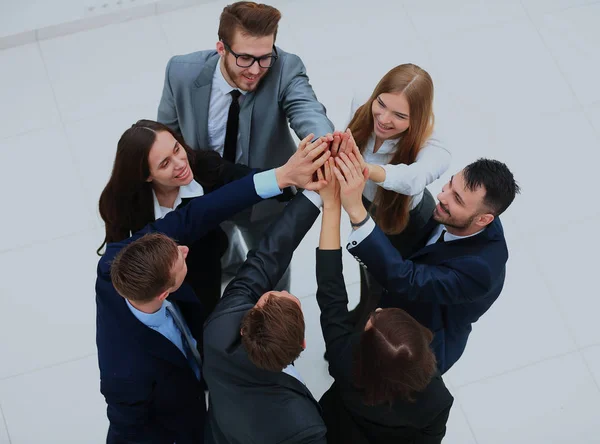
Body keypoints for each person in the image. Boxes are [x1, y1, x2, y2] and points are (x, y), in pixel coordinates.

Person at [96, 132, 331, 443]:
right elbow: (127, 430)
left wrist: (285, 177)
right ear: (165, 293)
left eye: (174, 246)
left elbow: (200, 213)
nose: (185, 249)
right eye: (179, 262)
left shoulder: (118, 259)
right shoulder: (125, 373)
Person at [157, 1, 334, 291]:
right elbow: (167, 134)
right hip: (207, 194)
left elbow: (308, 110)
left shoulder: (285, 67)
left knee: (272, 272)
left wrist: (323, 144)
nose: (255, 70)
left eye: (265, 58)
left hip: (267, 200)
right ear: (221, 48)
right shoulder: (180, 72)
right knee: (217, 256)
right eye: (245, 59)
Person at [333, 153, 520, 373]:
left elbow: (407, 279)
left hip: (420, 343)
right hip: (392, 308)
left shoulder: (480, 271)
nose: (442, 196)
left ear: (484, 219)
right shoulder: (457, 215)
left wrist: (356, 210)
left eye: (457, 199)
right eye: (450, 184)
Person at [315, 159, 453, 443]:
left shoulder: (345, 362)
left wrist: (331, 205)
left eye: (372, 318)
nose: (375, 309)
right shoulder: (438, 401)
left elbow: (331, 290)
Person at [202, 188, 330, 443]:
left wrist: (314, 195)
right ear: (303, 343)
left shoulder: (219, 328)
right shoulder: (304, 428)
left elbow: (265, 257)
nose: (281, 289)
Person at [97, 119, 256, 315]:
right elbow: (118, 255)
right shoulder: (123, 203)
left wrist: (291, 179)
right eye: (165, 163)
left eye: (177, 149)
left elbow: (250, 179)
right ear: (147, 175)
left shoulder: (205, 167)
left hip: (207, 264)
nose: (181, 163)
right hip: (160, 278)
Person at [346, 64, 451, 326]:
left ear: (416, 119)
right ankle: (361, 315)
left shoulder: (434, 144)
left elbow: (414, 180)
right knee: (367, 272)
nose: (383, 119)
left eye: (399, 116)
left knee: (388, 286)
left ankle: (368, 332)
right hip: (365, 204)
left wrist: (364, 169)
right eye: (381, 104)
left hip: (407, 222)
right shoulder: (363, 102)